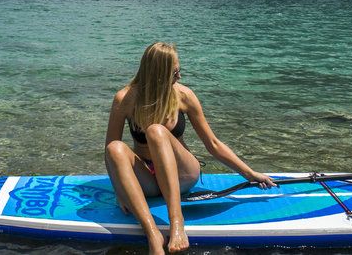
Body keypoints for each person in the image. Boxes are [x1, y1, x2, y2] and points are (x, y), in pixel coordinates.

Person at [104, 42, 276, 254]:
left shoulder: (184, 95)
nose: (180, 76)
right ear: (159, 73)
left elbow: (212, 144)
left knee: (156, 132)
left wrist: (249, 174)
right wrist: (121, 190)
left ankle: (177, 222)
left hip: (181, 174)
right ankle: (153, 234)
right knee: (115, 148)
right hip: (147, 179)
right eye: (175, 72)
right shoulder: (125, 98)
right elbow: (110, 152)